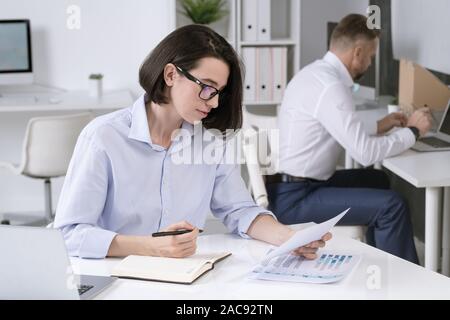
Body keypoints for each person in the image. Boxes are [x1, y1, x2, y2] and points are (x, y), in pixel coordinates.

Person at [54, 24, 331, 260]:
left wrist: (291, 238)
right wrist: (151, 247)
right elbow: (69, 235)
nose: (213, 102)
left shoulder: (210, 143)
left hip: (183, 278)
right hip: (115, 278)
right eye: (207, 87)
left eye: (219, 92)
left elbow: (240, 211)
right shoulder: (104, 137)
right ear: (171, 74)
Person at [267, 14, 432, 264]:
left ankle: (381, 264)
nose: (369, 63)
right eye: (371, 57)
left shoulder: (315, 74)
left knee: (377, 179)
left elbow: (333, 125)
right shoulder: (331, 87)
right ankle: (404, 286)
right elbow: (363, 153)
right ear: (358, 53)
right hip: (295, 199)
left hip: (292, 186)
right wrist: (413, 132)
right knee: (392, 206)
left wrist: (380, 125)